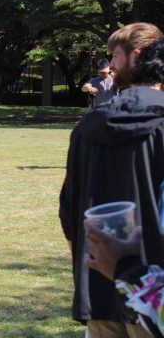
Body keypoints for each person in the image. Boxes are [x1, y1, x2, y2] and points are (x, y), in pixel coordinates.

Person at [59, 26, 164, 337]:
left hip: (99, 284)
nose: (110, 64)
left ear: (136, 56)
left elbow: (68, 210)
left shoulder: (86, 126)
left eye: (115, 55)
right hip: (153, 295)